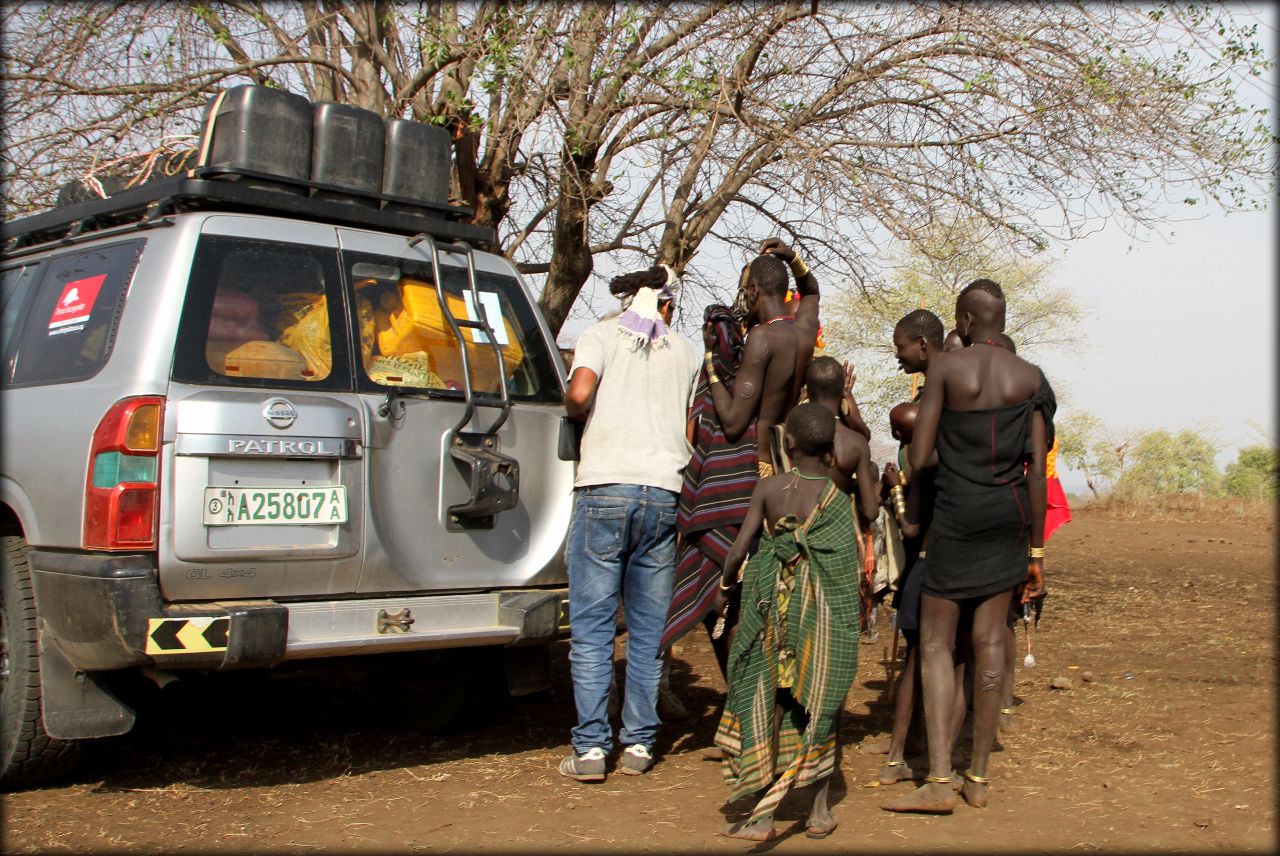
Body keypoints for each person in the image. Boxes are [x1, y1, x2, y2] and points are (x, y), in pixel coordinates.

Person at [883, 279, 1054, 813]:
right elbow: (1037, 472)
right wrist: (1036, 552)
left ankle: (936, 780)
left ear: (962, 319)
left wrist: (952, 465)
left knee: (935, 642)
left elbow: (922, 454)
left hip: (957, 515)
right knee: (988, 640)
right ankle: (976, 777)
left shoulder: (946, 371)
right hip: (1010, 517)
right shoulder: (1031, 379)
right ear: (1001, 319)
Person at [558, 263, 700, 783]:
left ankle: (591, 750)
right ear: (667, 305)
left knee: (593, 630)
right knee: (647, 631)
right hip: (664, 492)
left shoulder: (598, 336)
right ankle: (640, 743)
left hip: (603, 490)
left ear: (627, 302)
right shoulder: (686, 351)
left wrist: (578, 414)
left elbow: (578, 396)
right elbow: (690, 424)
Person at [713, 403, 862, 841]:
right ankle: (818, 813)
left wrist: (725, 587)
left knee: (771, 706)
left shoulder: (770, 488)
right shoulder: (836, 499)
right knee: (818, 706)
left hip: (771, 617)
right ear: (830, 445)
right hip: (817, 624)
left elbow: (740, 548)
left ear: (788, 443)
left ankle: (761, 815)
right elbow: (843, 571)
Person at [660, 305, 759, 683]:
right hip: (737, 500)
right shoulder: (743, 379)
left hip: (716, 504)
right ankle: (741, 699)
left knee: (722, 604)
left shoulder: (715, 380)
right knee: (726, 604)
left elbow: (700, 434)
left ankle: (743, 700)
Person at [704, 239, 856, 477]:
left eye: (744, 292)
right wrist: (792, 257)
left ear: (753, 290)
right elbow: (812, 290)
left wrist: (711, 361)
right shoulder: (805, 330)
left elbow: (733, 424)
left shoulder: (762, 337)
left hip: (755, 465)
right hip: (785, 464)